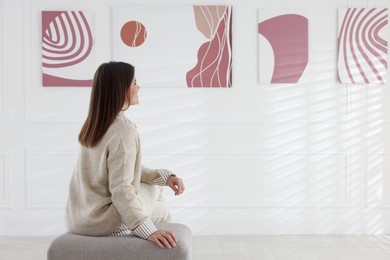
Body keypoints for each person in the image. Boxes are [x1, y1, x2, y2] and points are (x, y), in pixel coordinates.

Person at [65, 61, 185, 249]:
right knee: (158, 194)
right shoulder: (123, 131)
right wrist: (147, 229)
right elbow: (121, 189)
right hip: (106, 224)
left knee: (159, 196)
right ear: (120, 89)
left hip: (80, 219)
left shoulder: (94, 125)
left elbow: (118, 170)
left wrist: (164, 176)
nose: (138, 87)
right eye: (134, 82)